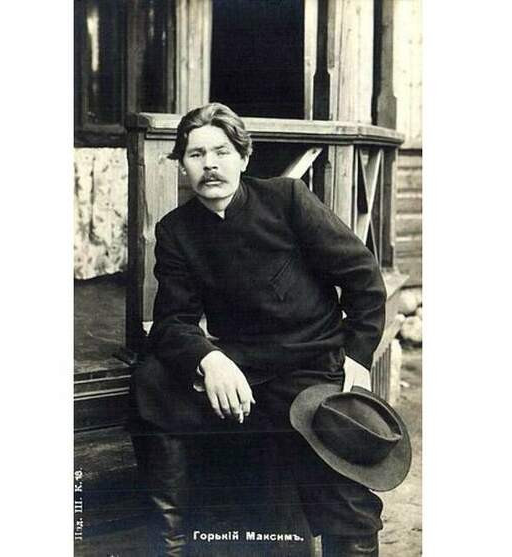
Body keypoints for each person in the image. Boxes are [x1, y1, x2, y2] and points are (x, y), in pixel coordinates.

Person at [128, 102, 388, 556]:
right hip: (244, 369)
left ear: (244, 158)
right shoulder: (177, 231)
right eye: (196, 154)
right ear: (182, 165)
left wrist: (358, 355)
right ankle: (170, 542)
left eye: (222, 152)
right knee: (152, 381)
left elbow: (363, 278)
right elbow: (172, 321)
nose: (209, 165)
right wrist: (210, 359)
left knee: (342, 490)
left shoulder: (286, 200)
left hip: (313, 364)